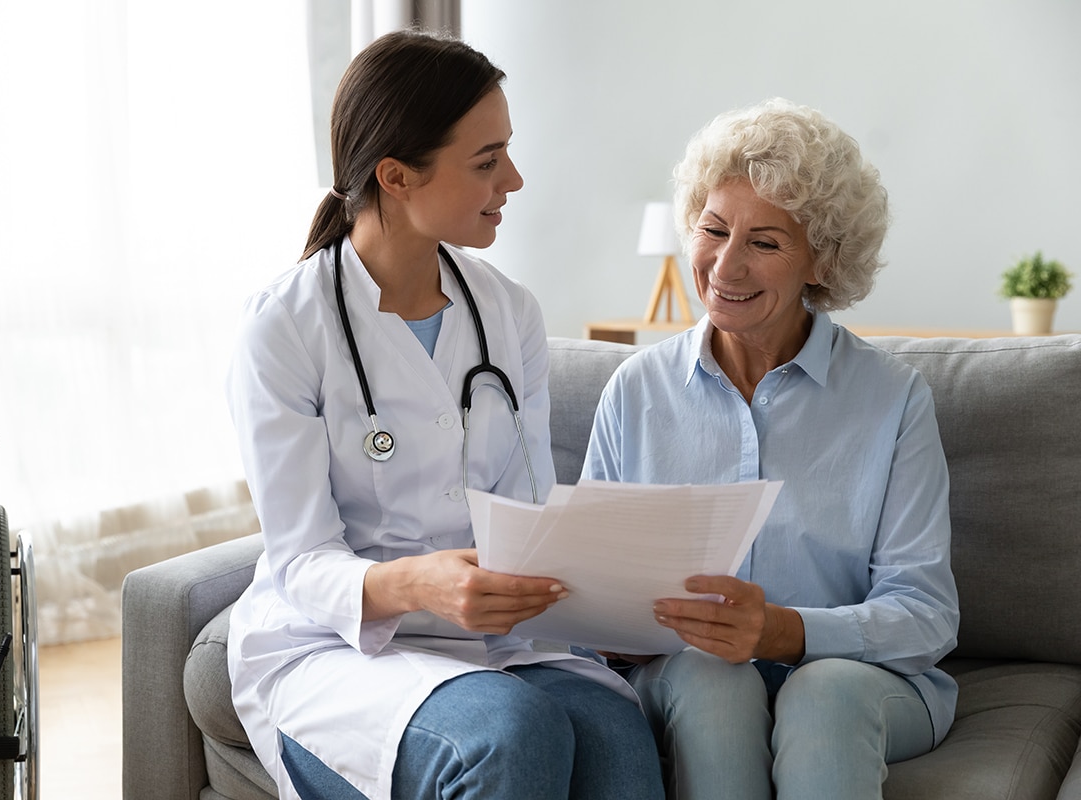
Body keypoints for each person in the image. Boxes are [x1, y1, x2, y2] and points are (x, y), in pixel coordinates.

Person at [224, 29, 663, 800]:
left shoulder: (507, 312)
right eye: (486, 161)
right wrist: (416, 585)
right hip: (336, 652)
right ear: (396, 176)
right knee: (509, 732)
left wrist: (613, 598)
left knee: (617, 738)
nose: (515, 179)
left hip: (498, 642)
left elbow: (530, 515)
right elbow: (300, 562)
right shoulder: (286, 327)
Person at [583, 98, 960, 800]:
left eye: (764, 242)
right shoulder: (635, 390)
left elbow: (926, 614)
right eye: (714, 230)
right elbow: (591, 594)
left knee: (823, 694)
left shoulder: (894, 399)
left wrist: (781, 632)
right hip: (687, 673)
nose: (726, 266)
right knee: (708, 675)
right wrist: (609, 624)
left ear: (822, 259)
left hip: (859, 680)